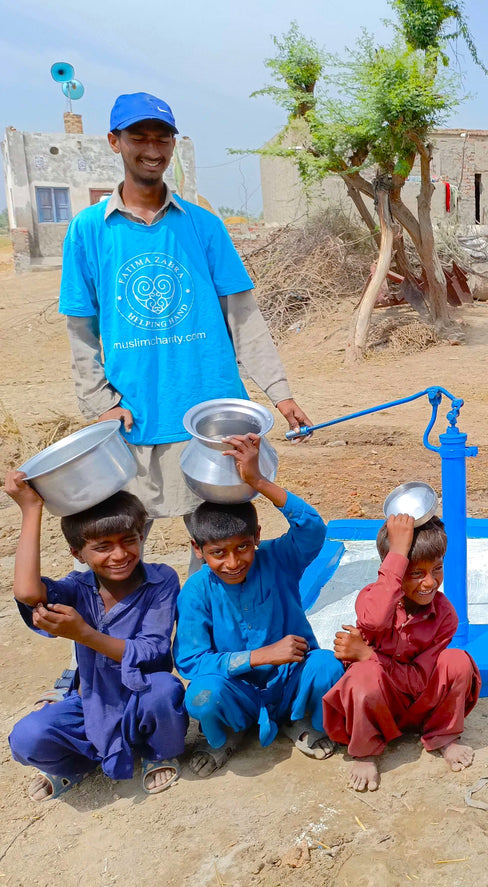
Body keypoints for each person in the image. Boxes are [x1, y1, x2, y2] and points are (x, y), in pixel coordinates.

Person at [58, 91, 312, 535]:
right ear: (115, 142)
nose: (153, 149)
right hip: (135, 415)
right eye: (140, 137)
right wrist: (101, 405)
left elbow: (243, 316)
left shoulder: (203, 225)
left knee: (224, 546)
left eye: (163, 138)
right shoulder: (88, 231)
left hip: (213, 421)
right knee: (122, 548)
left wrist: (280, 392)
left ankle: (205, 610)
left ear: (174, 145)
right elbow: (82, 330)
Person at [4, 474, 187, 800]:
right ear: (78, 553)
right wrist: (31, 510)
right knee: (27, 737)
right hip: (92, 702)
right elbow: (28, 592)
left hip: (143, 696)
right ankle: (74, 766)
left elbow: (152, 649)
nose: (119, 555)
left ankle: (157, 753)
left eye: (129, 540)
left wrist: (84, 634)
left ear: (141, 535)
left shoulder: (161, 581)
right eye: (102, 547)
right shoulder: (76, 589)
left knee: (165, 690)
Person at [172, 434, 344, 777]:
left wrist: (258, 481)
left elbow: (312, 528)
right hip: (236, 689)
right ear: (198, 549)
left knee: (325, 666)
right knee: (202, 695)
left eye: (243, 548)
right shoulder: (196, 589)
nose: (233, 562)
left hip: (290, 678)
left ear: (257, 538)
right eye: (218, 552)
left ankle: (299, 720)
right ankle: (226, 736)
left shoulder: (278, 560)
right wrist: (260, 656)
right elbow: (191, 661)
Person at [321, 513, 481, 792]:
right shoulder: (371, 598)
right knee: (363, 677)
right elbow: (373, 621)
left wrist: (368, 655)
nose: (430, 583)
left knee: (458, 662)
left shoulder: (445, 615)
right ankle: (366, 750)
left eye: (437, 569)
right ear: (391, 569)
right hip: (378, 707)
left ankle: (443, 736)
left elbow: (420, 680)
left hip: (422, 706)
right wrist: (397, 552)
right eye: (416, 573)